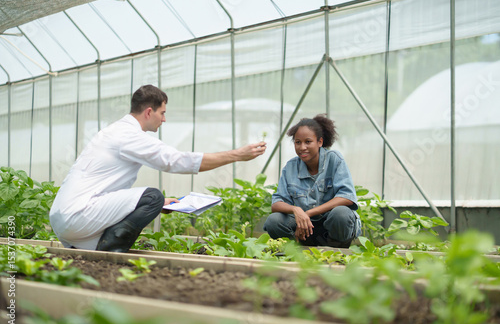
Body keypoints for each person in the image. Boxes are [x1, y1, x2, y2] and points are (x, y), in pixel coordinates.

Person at [49, 85, 266, 252]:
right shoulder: (129, 136)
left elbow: (105, 190)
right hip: (77, 216)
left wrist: (162, 203)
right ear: (149, 112)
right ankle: (110, 251)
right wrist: (237, 155)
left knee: (155, 200)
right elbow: (175, 161)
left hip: (64, 218)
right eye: (162, 113)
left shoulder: (113, 132)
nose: (164, 119)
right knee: (152, 196)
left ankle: (95, 247)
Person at [263, 114, 360, 248]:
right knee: (274, 221)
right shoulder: (290, 168)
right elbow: (277, 203)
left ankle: (337, 250)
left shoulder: (334, 160)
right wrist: (297, 210)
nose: (302, 147)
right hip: (304, 229)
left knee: (341, 214)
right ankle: (298, 248)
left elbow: (346, 197)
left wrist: (308, 213)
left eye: (308, 142)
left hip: (330, 228)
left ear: (320, 142)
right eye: (298, 142)